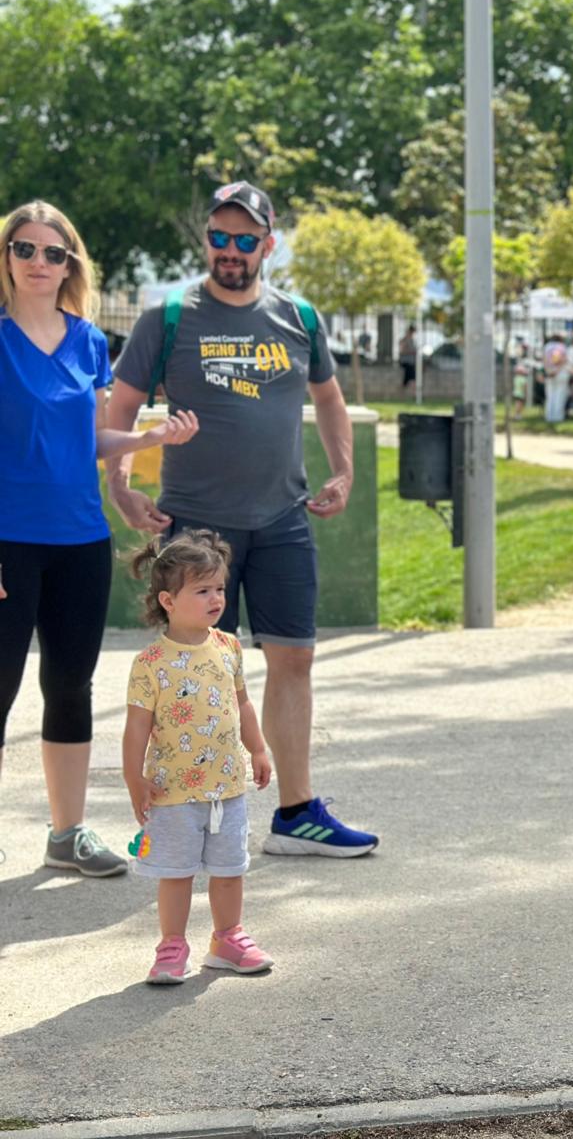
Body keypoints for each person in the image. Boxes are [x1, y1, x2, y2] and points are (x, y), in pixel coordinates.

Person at [106, 181, 378, 858]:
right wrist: (120, 487)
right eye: (218, 237)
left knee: (294, 661)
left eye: (244, 238)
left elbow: (331, 399)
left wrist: (343, 472)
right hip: (197, 527)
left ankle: (295, 813)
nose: (230, 250)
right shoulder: (169, 317)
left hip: (283, 518)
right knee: (195, 674)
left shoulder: (298, 317)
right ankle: (187, 814)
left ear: (267, 243)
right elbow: (119, 406)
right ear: (207, 242)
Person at [1, 200, 199, 876]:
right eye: (23, 249)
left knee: (70, 684)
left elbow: (91, 438)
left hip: (79, 538)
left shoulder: (87, 340)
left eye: (52, 253)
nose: (37, 262)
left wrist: (147, 439)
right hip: (7, 539)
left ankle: (66, 835)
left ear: (70, 264)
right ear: (6, 258)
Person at [122, 530, 275, 983]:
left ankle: (228, 939)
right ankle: (172, 946)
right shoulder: (151, 662)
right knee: (177, 873)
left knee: (230, 870)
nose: (216, 598)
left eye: (220, 589)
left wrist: (259, 747)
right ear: (168, 600)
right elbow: (136, 727)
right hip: (172, 791)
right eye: (203, 590)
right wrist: (134, 778)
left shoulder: (228, 647)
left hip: (227, 786)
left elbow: (242, 702)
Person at [541, 333, 570, 424]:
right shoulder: (561, 347)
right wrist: (556, 370)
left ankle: (549, 416)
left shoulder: (546, 347)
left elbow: (545, 361)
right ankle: (557, 417)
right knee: (560, 395)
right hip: (560, 373)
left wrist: (548, 371)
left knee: (550, 396)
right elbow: (560, 360)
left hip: (549, 373)